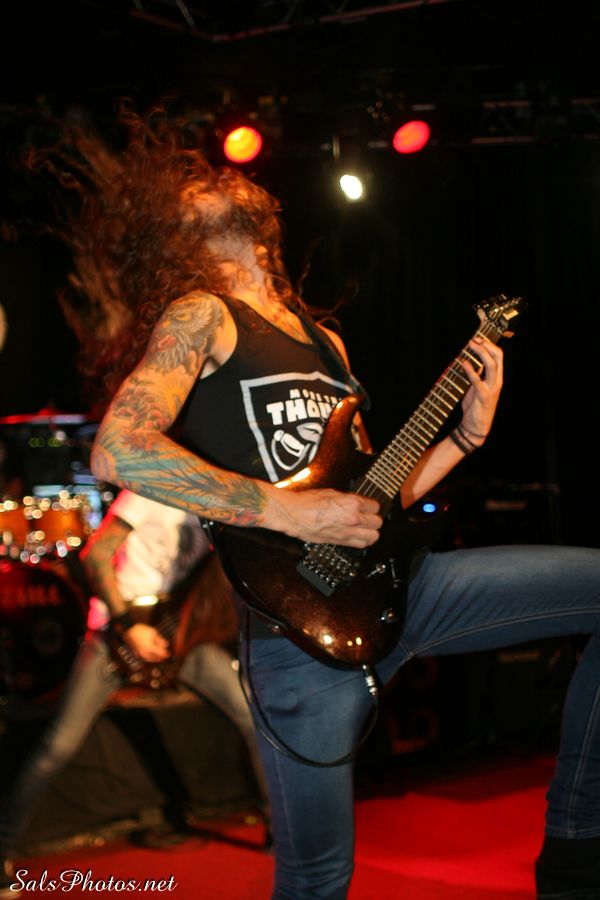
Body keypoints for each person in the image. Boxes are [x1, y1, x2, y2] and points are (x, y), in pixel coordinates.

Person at [22, 107, 600, 900]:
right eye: (192, 183)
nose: (210, 177)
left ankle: (576, 840)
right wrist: (289, 512)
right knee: (318, 877)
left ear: (265, 219)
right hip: (291, 629)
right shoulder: (202, 316)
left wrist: (464, 441)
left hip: (403, 588)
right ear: (177, 236)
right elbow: (118, 449)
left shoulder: (328, 344)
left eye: (219, 175)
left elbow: (372, 500)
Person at [0, 488, 269, 898]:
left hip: (176, 633)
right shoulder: (146, 491)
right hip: (119, 635)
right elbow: (95, 555)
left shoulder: (211, 501)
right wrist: (129, 626)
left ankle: (283, 830)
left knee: (255, 718)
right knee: (58, 744)